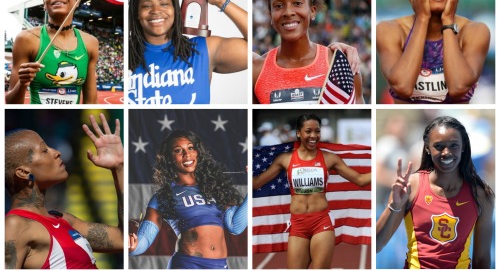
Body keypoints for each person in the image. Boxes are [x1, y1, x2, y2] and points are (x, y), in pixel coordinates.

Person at [5, 113, 124, 269]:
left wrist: (119, 167)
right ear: (23, 172)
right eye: (44, 150)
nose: (57, 152)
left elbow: (124, 239)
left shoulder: (65, 220)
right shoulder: (15, 225)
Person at [253, 113, 371, 269]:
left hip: (321, 222)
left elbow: (360, 180)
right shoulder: (285, 159)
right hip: (298, 224)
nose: (313, 135)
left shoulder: (330, 158)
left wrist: (381, 169)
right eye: (308, 131)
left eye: (317, 131)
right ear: (298, 133)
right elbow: (256, 183)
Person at [376, 116, 494, 268]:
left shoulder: (481, 194)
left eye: (453, 145)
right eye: (438, 146)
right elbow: (377, 245)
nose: (446, 152)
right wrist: (394, 205)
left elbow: (482, 259)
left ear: (463, 146)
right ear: (427, 148)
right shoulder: (411, 187)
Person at [376, 0, 490, 103]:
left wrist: (448, 21)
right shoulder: (389, 30)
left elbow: (458, 88)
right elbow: (403, 86)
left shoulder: (475, 31)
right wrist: (422, 18)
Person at [128, 129, 247, 269]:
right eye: (178, 150)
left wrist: (253, 186)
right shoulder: (162, 196)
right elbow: (146, 238)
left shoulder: (216, 187)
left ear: (198, 152)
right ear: (169, 158)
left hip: (220, 266)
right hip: (186, 265)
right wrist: (133, 247)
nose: (187, 154)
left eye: (191, 148)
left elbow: (235, 226)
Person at [128, 0, 247, 104]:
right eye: (146, 6)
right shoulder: (126, 55)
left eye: (164, 3)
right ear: (136, 13)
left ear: (175, 10)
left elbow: (251, 46)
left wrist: (221, 1)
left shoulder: (202, 50)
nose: (156, 10)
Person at [253, 0, 364, 104]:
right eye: (278, 6)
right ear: (270, 16)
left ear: (312, 11)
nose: (288, 12)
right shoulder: (256, 70)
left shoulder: (341, 64)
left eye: (298, 3)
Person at [6, 0, 99, 105]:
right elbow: (11, 104)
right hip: (38, 120)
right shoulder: (27, 39)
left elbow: (91, 102)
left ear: (76, 1)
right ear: (44, 4)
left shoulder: (90, 43)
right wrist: (22, 83)